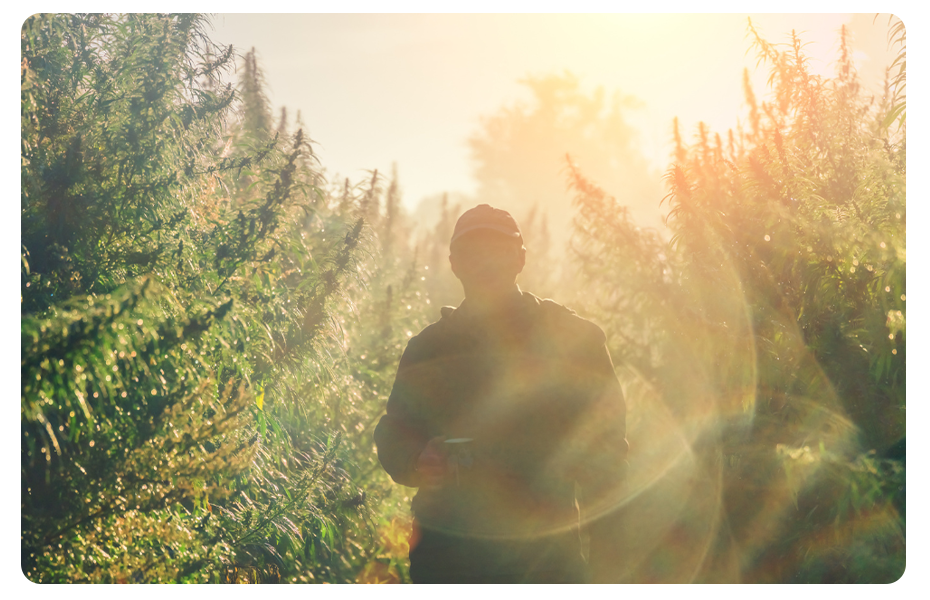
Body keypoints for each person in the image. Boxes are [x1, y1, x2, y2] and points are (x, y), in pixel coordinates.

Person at [374, 204, 628, 600]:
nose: (485, 262)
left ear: (520, 258)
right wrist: (417, 459)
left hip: (544, 566)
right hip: (449, 568)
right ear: (455, 263)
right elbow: (393, 432)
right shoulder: (428, 348)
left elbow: (608, 451)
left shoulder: (572, 339)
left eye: (498, 249)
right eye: (473, 251)